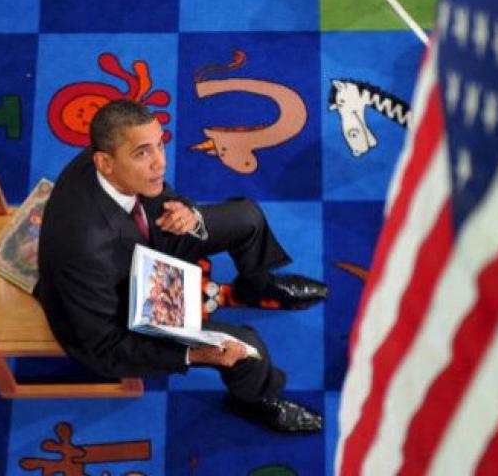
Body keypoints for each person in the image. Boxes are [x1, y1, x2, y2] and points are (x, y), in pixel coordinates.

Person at [36, 100, 327, 433]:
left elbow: (158, 192)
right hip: (118, 308)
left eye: (160, 145)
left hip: (143, 243)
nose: (160, 162)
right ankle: (254, 399)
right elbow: (104, 347)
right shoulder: (83, 251)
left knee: (247, 217)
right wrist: (195, 355)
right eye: (143, 153)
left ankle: (255, 287)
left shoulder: (110, 155)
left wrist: (187, 213)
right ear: (104, 162)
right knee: (248, 347)